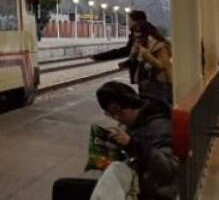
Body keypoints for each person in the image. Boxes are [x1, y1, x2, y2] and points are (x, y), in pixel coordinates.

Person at [52, 81, 180, 200]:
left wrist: (132, 144)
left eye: (118, 111)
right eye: (111, 114)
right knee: (62, 187)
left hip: (149, 192)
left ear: (130, 103)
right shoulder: (128, 125)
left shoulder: (159, 124)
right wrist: (109, 153)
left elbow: (169, 168)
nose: (117, 118)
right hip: (130, 184)